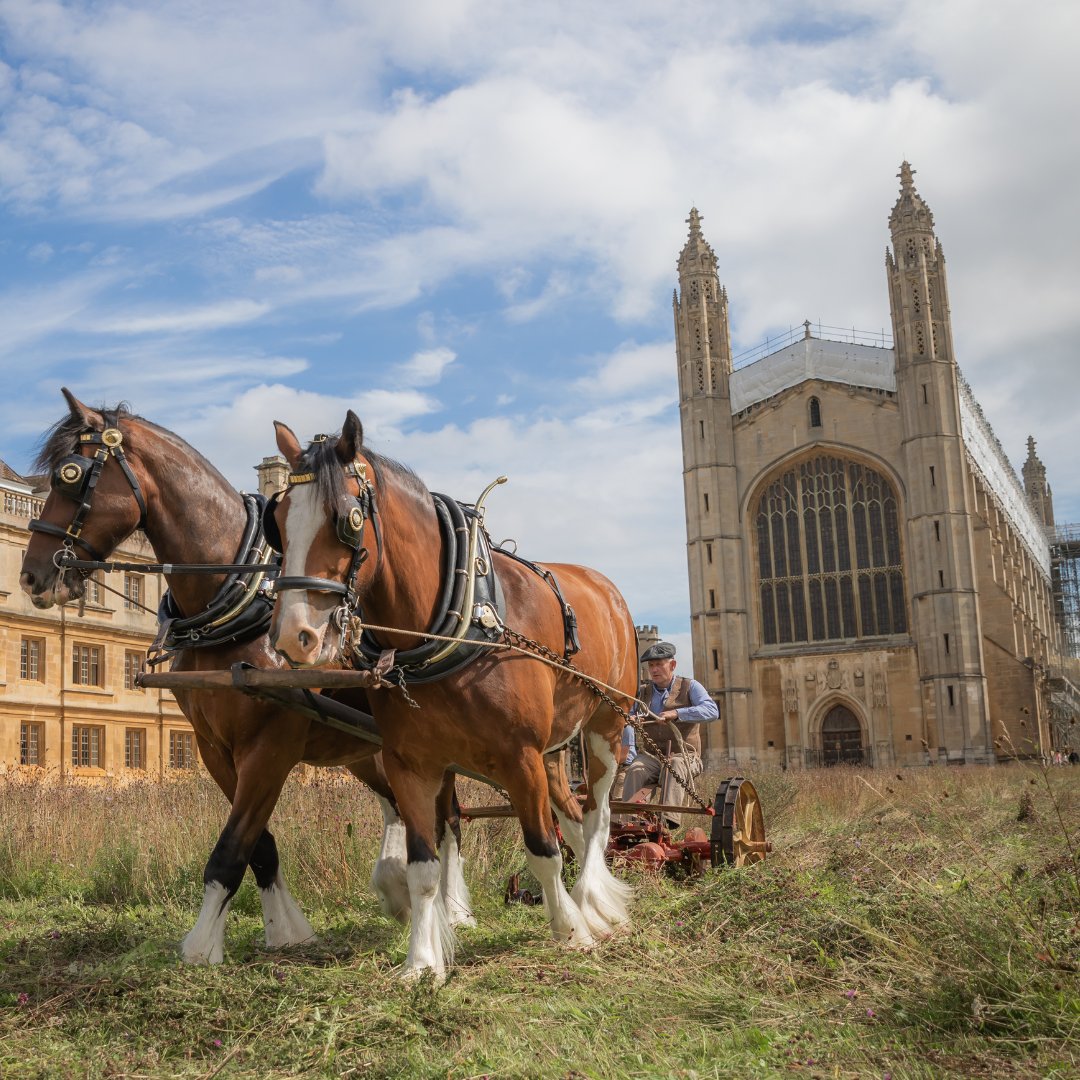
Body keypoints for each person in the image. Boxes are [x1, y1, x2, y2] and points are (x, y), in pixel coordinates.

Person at [622, 640, 719, 829]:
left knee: (673, 764)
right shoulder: (642, 692)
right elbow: (627, 714)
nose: (654, 669)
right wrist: (632, 718)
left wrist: (677, 714)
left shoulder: (690, 686)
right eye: (651, 665)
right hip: (652, 757)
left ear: (672, 665)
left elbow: (712, 711)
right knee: (635, 769)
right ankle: (628, 825)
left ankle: (668, 822)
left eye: (659, 664)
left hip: (686, 756)